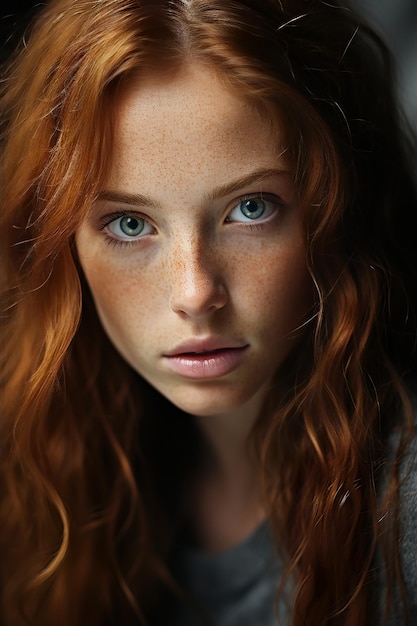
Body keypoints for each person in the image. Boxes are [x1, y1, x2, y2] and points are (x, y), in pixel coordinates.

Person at [1, 1, 416, 625]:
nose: (196, 293)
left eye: (251, 208)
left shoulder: (404, 509)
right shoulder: (50, 483)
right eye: (130, 223)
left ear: (336, 209)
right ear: (60, 244)